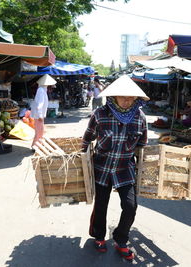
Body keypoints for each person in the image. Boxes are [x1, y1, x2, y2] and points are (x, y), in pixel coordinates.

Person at [82, 75, 149, 261]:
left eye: (131, 97)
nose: (127, 100)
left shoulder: (140, 118)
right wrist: (80, 161)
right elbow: (87, 138)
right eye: (123, 96)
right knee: (101, 205)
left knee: (130, 206)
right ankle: (99, 236)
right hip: (102, 168)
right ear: (113, 96)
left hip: (124, 170)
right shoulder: (100, 114)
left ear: (136, 98)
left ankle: (121, 239)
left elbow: (142, 145)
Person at [31, 74, 56, 147]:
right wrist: (40, 115)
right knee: (39, 132)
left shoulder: (42, 89)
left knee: (39, 131)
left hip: (39, 114)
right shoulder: (41, 90)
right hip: (38, 115)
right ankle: (36, 146)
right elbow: (40, 104)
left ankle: (35, 145)